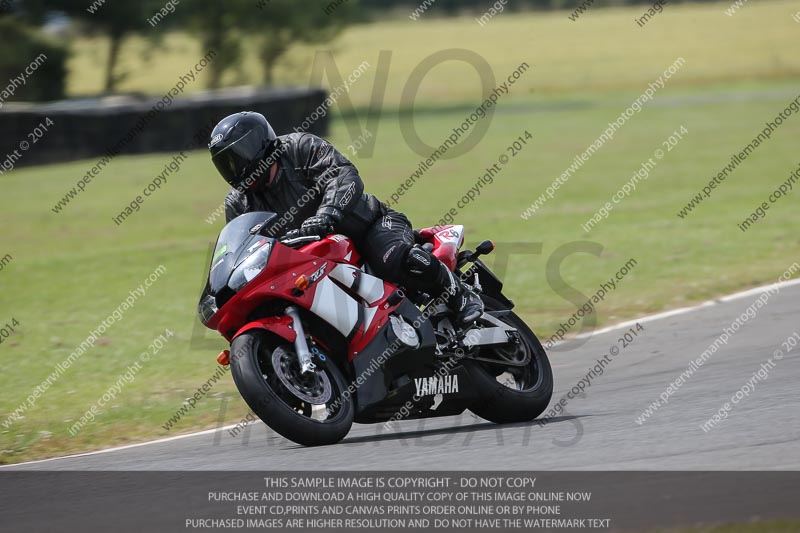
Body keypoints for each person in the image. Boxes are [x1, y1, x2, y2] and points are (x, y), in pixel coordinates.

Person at [208, 111, 483, 327]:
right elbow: (246, 245)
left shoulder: (299, 147)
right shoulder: (238, 202)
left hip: (367, 227)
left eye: (238, 156)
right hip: (312, 260)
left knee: (393, 257)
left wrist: (327, 214)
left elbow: (343, 175)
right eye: (226, 163)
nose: (236, 168)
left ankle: (460, 294)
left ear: (259, 144)